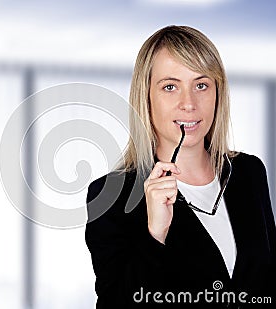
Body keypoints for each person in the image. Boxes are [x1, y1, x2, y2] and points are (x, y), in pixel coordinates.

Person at [85, 25, 276, 308]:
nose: (189, 104)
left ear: (217, 94)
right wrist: (155, 234)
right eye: (170, 87)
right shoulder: (110, 195)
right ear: (146, 96)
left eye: (201, 85)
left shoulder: (249, 172)